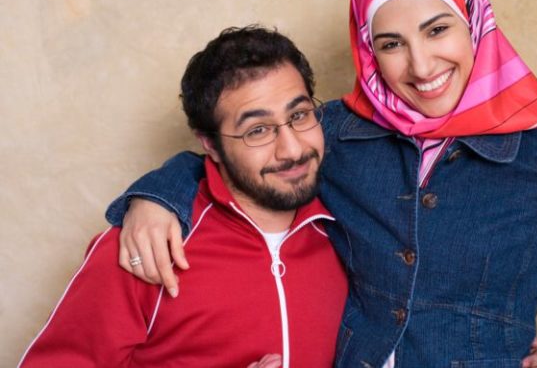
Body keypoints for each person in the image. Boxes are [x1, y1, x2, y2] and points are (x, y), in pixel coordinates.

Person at [104, 0, 537, 367]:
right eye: (391, 44)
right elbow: (249, 150)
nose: (422, 66)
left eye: (438, 30)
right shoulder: (338, 131)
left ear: (476, 25)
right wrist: (159, 194)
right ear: (368, 52)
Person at [18, 27, 348, 368]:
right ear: (209, 144)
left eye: (299, 115)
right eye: (257, 131)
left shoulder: (352, 226)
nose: (292, 149)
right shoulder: (144, 247)